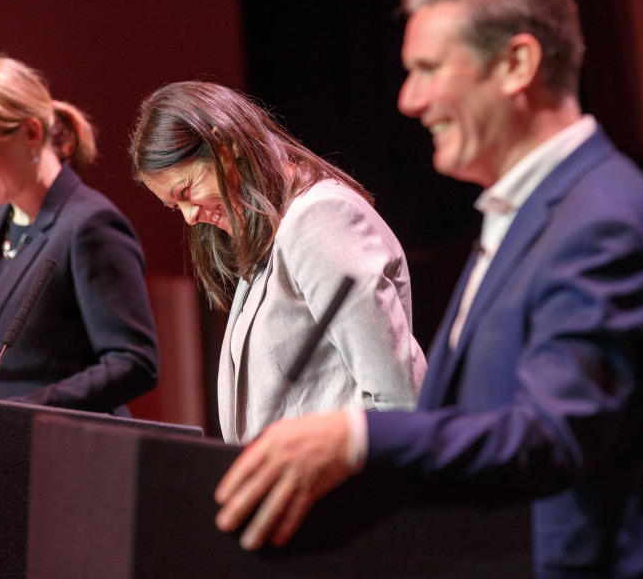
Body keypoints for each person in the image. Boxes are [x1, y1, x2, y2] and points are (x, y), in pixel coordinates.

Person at [214, 0, 643, 578]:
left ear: (516, 64)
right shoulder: (530, 213)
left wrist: (353, 438)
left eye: (428, 68)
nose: (409, 100)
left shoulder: (604, 221)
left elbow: (550, 436)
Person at [130, 81, 425, 443]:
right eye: (176, 207)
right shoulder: (272, 239)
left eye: (187, 190)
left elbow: (399, 395)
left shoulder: (320, 217)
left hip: (347, 491)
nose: (189, 217)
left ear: (226, 147)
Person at [0, 54, 159, 413]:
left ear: (30, 133)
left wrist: (26, 411)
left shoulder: (89, 225)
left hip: (67, 451)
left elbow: (133, 362)